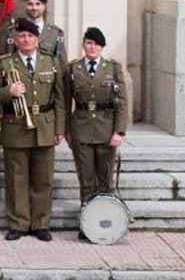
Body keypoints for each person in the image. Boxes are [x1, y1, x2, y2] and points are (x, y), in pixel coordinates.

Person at [0, 18, 65, 242]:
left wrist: (60, 128)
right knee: (16, 178)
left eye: (30, 36)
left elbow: (60, 98)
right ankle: (18, 223)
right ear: (16, 39)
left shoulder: (50, 62)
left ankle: (41, 223)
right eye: (22, 36)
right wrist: (8, 92)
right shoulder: (4, 63)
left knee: (43, 179)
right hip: (16, 125)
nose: (26, 39)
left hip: (44, 124)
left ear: (37, 38)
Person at [65, 27, 129, 240]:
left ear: (102, 47)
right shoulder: (73, 69)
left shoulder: (113, 68)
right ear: (84, 44)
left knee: (105, 179)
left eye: (96, 44)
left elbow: (122, 103)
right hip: (81, 128)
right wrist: (65, 130)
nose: (92, 47)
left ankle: (107, 223)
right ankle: (87, 224)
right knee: (86, 179)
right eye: (89, 43)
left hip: (106, 129)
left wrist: (119, 130)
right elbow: (64, 102)